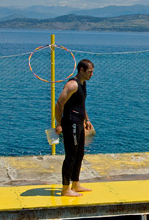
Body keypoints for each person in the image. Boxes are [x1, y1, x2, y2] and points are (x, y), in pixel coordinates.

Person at [55, 59, 94, 196]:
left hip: (79, 123)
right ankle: (65, 189)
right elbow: (59, 104)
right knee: (71, 155)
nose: (92, 74)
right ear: (81, 70)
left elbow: (81, 104)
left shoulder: (83, 84)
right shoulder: (72, 85)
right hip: (70, 123)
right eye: (90, 71)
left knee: (79, 154)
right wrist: (58, 124)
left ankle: (75, 184)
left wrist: (86, 119)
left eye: (92, 72)